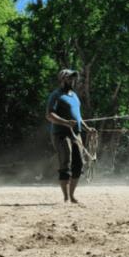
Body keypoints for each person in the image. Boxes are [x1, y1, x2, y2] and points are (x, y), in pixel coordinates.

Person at [45, 69, 94, 203]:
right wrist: (65, 122)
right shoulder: (56, 95)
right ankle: (66, 198)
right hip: (61, 134)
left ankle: (72, 196)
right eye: (69, 78)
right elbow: (49, 115)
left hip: (76, 135)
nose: (72, 81)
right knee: (66, 162)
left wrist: (87, 128)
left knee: (78, 164)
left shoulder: (75, 96)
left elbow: (78, 117)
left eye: (73, 79)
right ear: (62, 80)